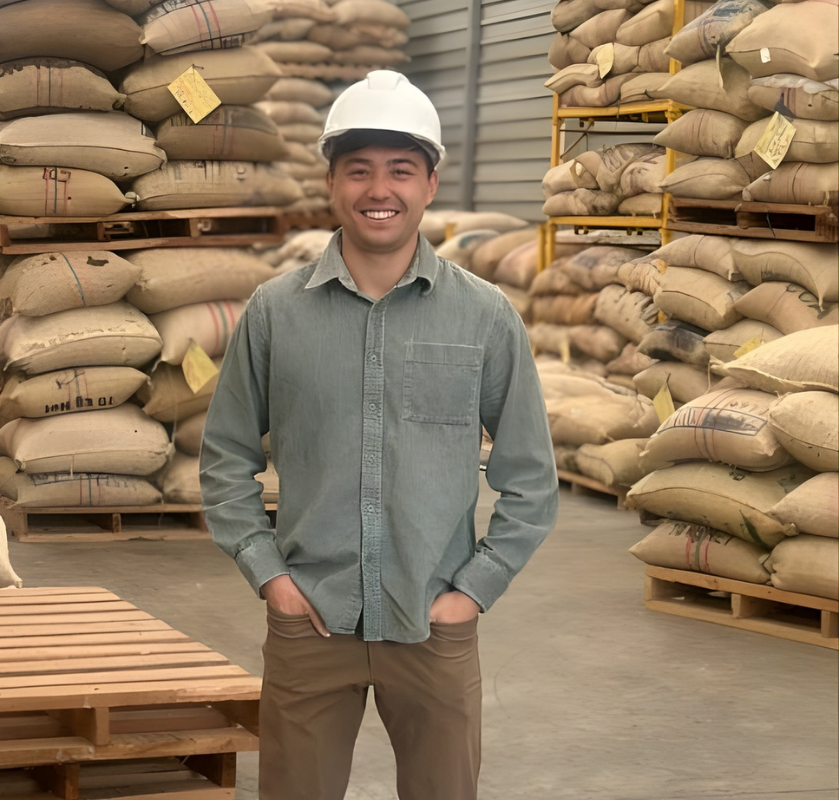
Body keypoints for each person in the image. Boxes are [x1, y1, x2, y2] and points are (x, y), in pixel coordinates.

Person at [198, 71, 559, 800]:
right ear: (332, 183)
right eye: (358, 170)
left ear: (429, 184)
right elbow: (225, 459)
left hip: (433, 625)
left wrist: (471, 593)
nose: (378, 189)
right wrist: (270, 577)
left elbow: (530, 479)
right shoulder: (274, 314)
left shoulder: (485, 317)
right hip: (310, 624)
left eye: (400, 170)